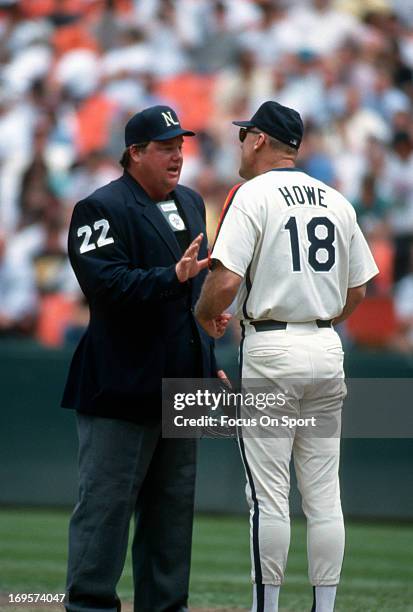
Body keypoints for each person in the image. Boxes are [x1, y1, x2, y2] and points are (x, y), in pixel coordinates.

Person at [195, 101, 379, 612]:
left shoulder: (251, 194)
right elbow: (360, 288)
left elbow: (225, 280)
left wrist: (205, 317)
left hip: (271, 348)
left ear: (257, 139)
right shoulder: (335, 199)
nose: (239, 143)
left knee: (269, 496)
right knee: (324, 496)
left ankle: (267, 607)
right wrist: (317, 317)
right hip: (325, 345)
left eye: (243, 135)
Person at [62, 105, 227, 612]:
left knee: (171, 519)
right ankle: (89, 606)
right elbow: (105, 285)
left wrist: (207, 354)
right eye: (165, 146)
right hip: (122, 383)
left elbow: (192, 297)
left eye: (180, 144)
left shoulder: (193, 202)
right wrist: (169, 278)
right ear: (135, 153)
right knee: (106, 512)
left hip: (181, 385)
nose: (178, 155)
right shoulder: (100, 207)